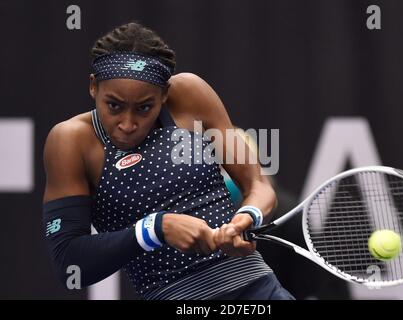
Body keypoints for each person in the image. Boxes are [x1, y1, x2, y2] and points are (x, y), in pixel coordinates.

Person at [42, 22, 295, 300]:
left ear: (164, 94)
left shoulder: (190, 94)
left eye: (144, 108)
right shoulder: (71, 140)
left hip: (261, 291)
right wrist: (156, 228)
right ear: (93, 87)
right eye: (114, 105)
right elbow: (69, 264)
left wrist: (246, 218)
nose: (127, 123)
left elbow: (258, 185)